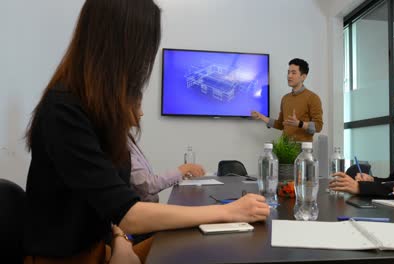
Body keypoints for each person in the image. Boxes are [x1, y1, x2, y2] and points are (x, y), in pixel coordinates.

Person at [23, 0, 270, 262]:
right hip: (67, 259)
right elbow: (129, 213)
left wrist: (120, 240)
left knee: (202, 242)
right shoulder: (63, 110)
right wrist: (229, 212)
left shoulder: (97, 111)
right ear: (120, 47)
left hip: (103, 250)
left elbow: (109, 201)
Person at [128, 101, 205, 203]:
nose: (142, 113)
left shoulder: (127, 139)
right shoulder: (120, 143)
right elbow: (147, 185)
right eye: (138, 107)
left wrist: (182, 172)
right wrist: (183, 169)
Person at [251, 58, 323, 142]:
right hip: (284, 148)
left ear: (303, 77)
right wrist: (262, 117)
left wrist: (299, 123)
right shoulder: (285, 98)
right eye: (288, 72)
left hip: (303, 150)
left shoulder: (313, 98)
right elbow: (281, 125)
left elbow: (318, 126)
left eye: (293, 73)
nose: (289, 76)